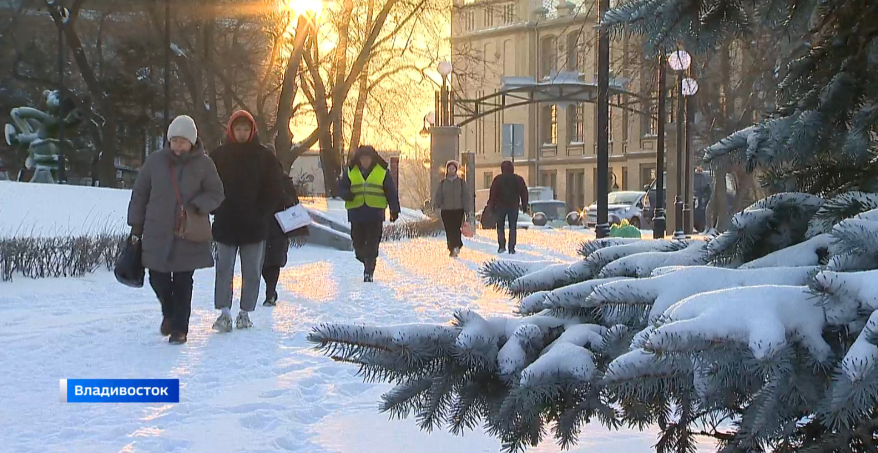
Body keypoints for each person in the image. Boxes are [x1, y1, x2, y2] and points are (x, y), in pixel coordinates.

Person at [127, 115, 225, 345]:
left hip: (188, 231)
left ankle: (180, 329)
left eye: (183, 141)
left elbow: (216, 193)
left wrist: (199, 206)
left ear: (192, 142)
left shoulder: (204, 164)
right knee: (157, 278)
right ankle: (169, 313)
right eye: (174, 141)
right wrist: (136, 225)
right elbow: (140, 193)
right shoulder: (155, 161)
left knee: (183, 281)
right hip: (157, 230)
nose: (178, 146)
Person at [209, 110, 284, 332]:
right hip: (226, 223)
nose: (241, 133)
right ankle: (224, 312)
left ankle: (245, 312)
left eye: (245, 129)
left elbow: (274, 187)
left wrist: (262, 211)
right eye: (238, 128)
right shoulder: (218, 156)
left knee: (251, 271)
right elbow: (208, 184)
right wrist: (216, 207)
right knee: (224, 269)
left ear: (252, 131)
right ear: (231, 130)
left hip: (254, 225)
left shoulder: (264, 157)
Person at [339, 145, 401, 282]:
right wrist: (346, 194)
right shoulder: (350, 171)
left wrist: (394, 210)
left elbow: (391, 191)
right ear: (358, 159)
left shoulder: (382, 171)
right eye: (363, 158)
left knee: (373, 243)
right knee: (358, 245)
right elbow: (341, 187)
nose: (365, 161)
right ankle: (366, 260)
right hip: (356, 213)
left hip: (375, 213)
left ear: (373, 159)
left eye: (368, 158)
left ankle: (369, 270)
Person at [262, 147, 309, 307]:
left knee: (274, 260)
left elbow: (293, 202)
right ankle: (269, 289)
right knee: (261, 262)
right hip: (259, 224)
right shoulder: (253, 178)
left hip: (278, 226)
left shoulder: (283, 180)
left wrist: (280, 194)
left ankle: (270, 292)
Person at [433, 160, 473, 257]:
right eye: (450, 168)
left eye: (453, 168)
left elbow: (466, 196)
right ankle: (451, 248)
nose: (451, 170)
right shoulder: (443, 183)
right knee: (449, 229)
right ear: (447, 170)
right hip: (446, 210)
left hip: (458, 210)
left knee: (456, 229)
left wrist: (467, 209)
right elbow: (438, 195)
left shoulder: (461, 182)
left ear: (456, 170)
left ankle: (457, 245)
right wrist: (436, 205)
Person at [487, 160, 528, 254]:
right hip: (513, 206)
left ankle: (502, 246)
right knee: (512, 227)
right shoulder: (518, 179)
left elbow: (493, 194)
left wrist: (491, 206)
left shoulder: (498, 180)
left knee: (500, 226)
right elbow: (524, 193)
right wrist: (524, 205)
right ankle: (511, 247)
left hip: (500, 206)